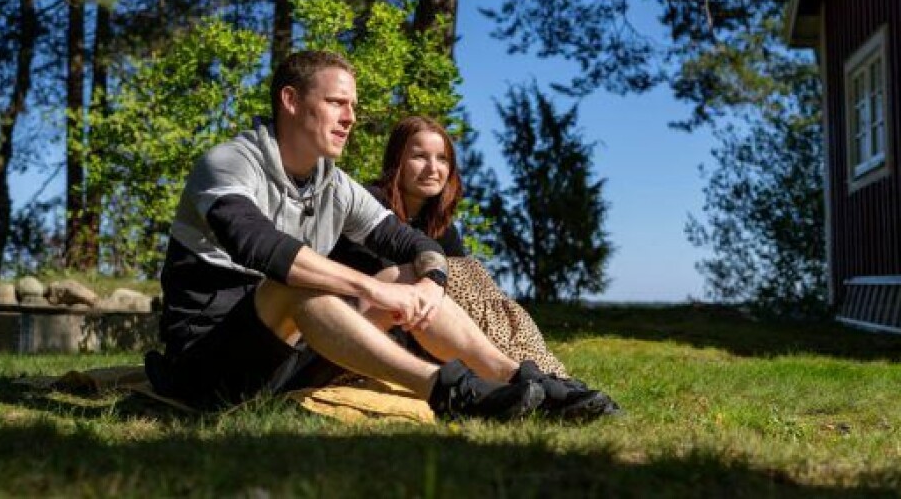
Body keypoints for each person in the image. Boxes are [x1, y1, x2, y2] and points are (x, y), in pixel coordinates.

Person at [146, 50, 613, 421]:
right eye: (336, 103)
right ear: (290, 101)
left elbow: (418, 245)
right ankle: (450, 390)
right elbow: (256, 245)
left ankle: (522, 379)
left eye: (353, 105)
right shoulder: (229, 163)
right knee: (300, 282)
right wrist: (369, 287)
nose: (350, 117)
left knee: (404, 273)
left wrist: (428, 283)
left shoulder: (335, 185)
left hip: (288, 361)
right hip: (207, 366)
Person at [329, 115, 621, 419]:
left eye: (442, 159)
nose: (433, 168)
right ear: (396, 161)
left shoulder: (442, 228)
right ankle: (535, 381)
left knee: (480, 286)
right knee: (446, 275)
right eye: (419, 156)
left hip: (421, 329)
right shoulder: (371, 207)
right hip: (353, 331)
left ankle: (543, 378)